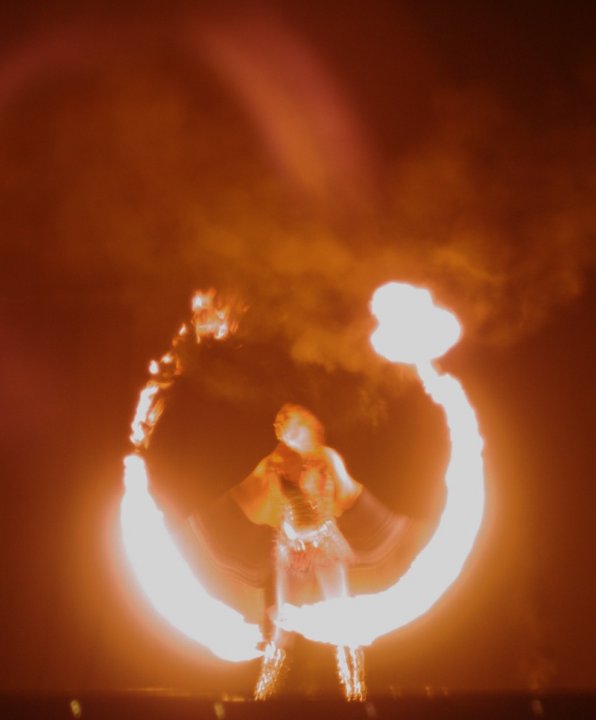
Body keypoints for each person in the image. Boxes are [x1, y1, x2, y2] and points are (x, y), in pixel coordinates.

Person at [230, 403, 366, 700]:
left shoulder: (327, 457)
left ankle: (357, 697)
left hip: (325, 546)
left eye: (285, 422)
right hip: (291, 550)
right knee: (283, 626)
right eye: (277, 425)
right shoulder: (275, 460)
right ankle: (261, 700)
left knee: (342, 619)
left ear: (302, 425)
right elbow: (250, 494)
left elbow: (347, 492)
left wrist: (325, 505)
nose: (279, 428)